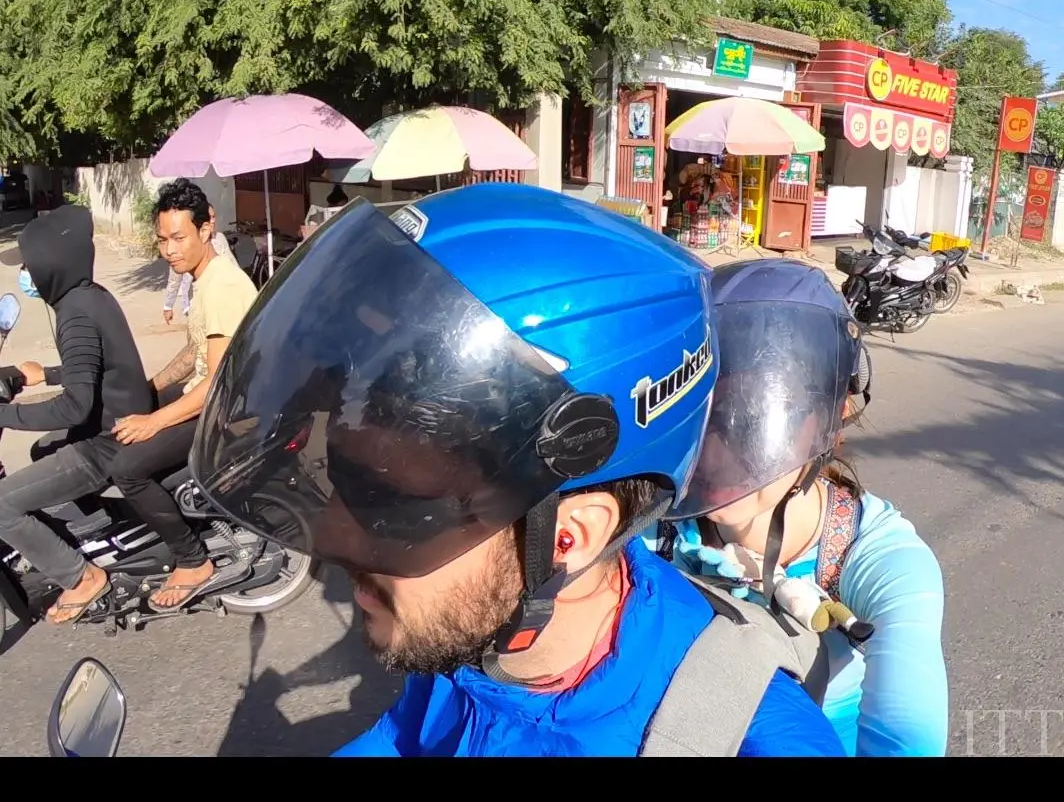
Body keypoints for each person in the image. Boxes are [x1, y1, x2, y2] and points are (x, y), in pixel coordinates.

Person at [182, 186, 846, 757]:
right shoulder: (485, 628)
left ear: (568, 537)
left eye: (397, 509)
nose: (342, 539)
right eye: (352, 478)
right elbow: (409, 737)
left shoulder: (743, 737)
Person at [650, 258, 948, 757]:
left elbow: (905, 738)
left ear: (827, 420)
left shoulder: (883, 560)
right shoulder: (654, 530)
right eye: (708, 416)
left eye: (749, 418)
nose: (718, 452)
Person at [0, 204, 154, 624]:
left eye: (29, 265)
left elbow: (75, 405)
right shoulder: (89, 296)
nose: (26, 275)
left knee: (1, 506)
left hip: (104, 443)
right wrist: (43, 374)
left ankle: (80, 576)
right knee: (40, 449)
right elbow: (93, 369)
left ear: (51, 261)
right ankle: (97, 533)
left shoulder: (75, 315)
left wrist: (4, 417)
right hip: (109, 425)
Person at [109, 178, 258, 611]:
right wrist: (149, 390)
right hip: (205, 395)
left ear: (205, 229)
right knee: (126, 416)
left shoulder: (223, 286)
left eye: (178, 238)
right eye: (163, 240)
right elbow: (195, 350)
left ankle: (191, 560)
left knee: (128, 469)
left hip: (222, 412)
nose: (169, 249)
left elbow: (215, 380)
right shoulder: (201, 277)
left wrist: (153, 420)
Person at [162, 205, 232, 325]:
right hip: (194, 302)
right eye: (210, 217)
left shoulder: (219, 239)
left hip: (219, 300)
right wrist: (168, 305)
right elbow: (174, 279)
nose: (213, 220)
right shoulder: (186, 244)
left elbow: (232, 265)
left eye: (214, 217)